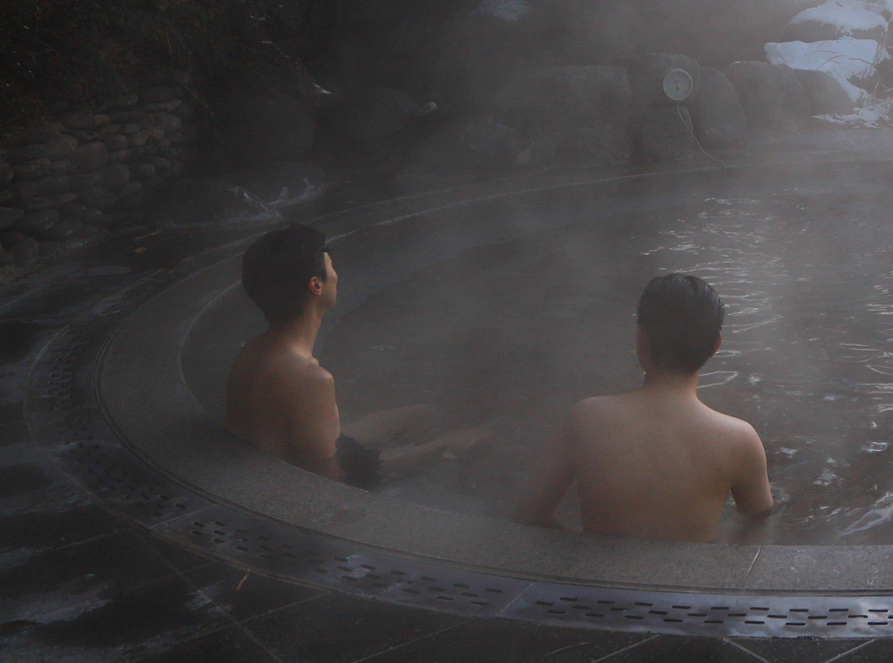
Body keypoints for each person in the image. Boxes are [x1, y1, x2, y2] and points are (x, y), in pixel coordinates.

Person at [511, 272, 777, 541]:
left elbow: (528, 516)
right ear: (716, 345)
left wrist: (582, 552)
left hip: (596, 568)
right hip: (693, 569)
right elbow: (758, 527)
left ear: (640, 338)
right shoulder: (739, 440)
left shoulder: (586, 419)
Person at [225, 224, 487, 487]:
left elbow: (303, 441)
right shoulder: (309, 379)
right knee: (471, 440)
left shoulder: (255, 350)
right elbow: (329, 479)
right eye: (331, 267)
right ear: (315, 285)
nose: (336, 275)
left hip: (295, 458)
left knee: (422, 415)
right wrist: (442, 446)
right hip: (302, 483)